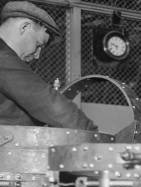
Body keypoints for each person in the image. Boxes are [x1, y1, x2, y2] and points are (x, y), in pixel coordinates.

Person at [0, 1, 96, 130]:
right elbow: (47, 102)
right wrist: (93, 136)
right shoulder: (3, 57)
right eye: (38, 45)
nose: (37, 55)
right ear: (24, 27)